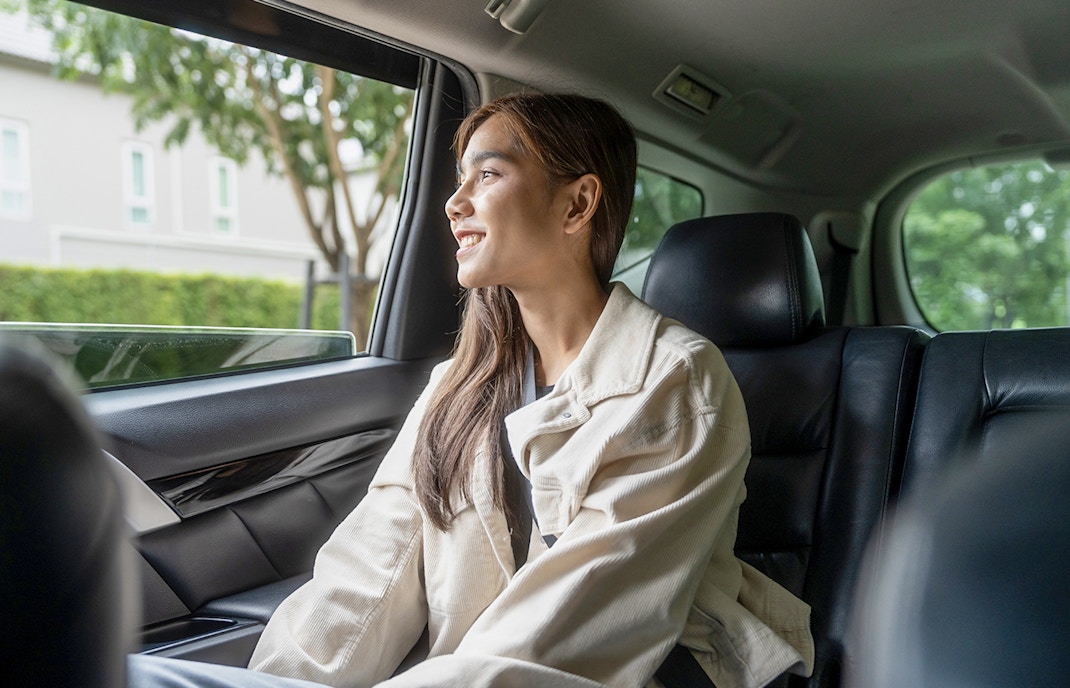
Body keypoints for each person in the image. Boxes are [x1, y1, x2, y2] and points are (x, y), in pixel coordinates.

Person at [129, 93, 813, 688]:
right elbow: (366, 579)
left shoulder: (676, 383)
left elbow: (560, 642)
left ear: (578, 203)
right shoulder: (458, 386)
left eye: (487, 174)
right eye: (460, 179)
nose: (454, 204)